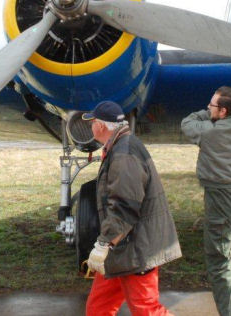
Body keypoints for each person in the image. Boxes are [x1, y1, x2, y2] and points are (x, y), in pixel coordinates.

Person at [180, 50, 231, 316]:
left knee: (217, 265)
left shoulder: (209, 132)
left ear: (223, 111)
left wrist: (206, 114)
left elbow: (187, 123)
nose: (208, 107)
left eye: (212, 105)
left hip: (219, 202)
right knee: (225, 260)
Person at [83, 101, 182, 316]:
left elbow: (124, 206)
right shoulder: (120, 146)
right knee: (98, 308)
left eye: (92, 122)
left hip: (136, 249)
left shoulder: (124, 153)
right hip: (121, 249)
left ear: (100, 126)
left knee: (146, 310)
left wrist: (104, 244)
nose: (90, 126)